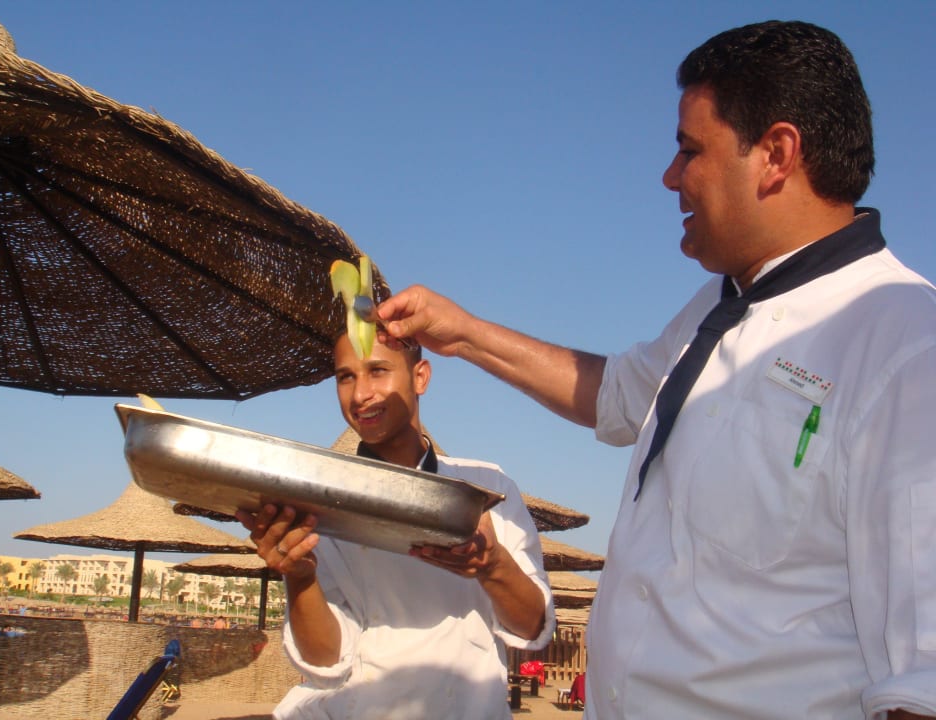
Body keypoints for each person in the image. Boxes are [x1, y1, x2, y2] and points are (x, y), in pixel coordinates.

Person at [374, 20, 936, 720]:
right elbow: (614, 395)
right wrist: (463, 333)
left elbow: (923, 676)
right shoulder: (720, 306)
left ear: (776, 154)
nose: (671, 177)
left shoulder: (905, 343)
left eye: (689, 150)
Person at [237, 333, 554, 719]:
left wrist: (492, 566)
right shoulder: (320, 504)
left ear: (420, 377)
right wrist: (299, 578)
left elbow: (533, 628)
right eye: (345, 377)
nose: (360, 395)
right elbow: (325, 661)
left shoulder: (488, 488)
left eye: (378, 371)